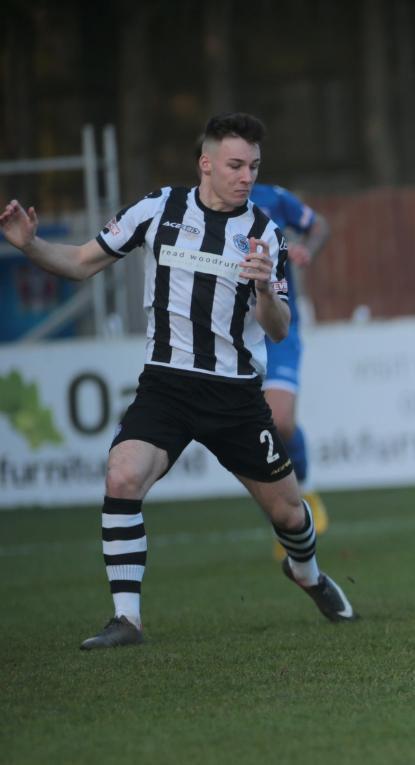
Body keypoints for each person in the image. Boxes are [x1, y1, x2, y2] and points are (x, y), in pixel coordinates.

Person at [0, 112, 357, 650]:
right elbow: (79, 261)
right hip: (166, 384)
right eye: (236, 165)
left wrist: (264, 291)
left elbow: (279, 330)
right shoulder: (158, 209)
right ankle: (127, 620)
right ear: (206, 163)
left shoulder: (265, 233)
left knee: (288, 511)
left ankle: (306, 573)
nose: (246, 176)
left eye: (254, 166)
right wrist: (29, 245)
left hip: (235, 395)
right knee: (121, 477)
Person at [246, 183, 332, 557]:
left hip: (278, 325)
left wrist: (305, 250)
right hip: (226, 333)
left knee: (279, 420)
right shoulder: (190, 212)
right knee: (248, 431)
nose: (243, 173)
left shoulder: (274, 199)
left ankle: (305, 490)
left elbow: (318, 226)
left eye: (249, 163)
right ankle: (286, 517)